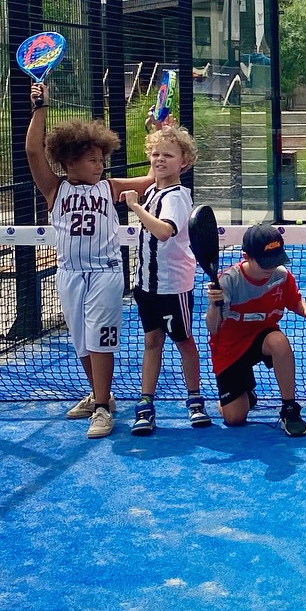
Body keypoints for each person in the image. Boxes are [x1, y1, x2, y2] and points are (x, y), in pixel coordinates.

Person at [25, 82, 153, 439]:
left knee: (99, 340)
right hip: (68, 273)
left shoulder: (109, 187)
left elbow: (154, 177)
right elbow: (34, 152)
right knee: (82, 342)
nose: (99, 165)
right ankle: (103, 396)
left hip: (105, 273)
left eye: (102, 159)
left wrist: (159, 134)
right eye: (92, 159)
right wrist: (40, 108)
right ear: (69, 161)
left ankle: (100, 408)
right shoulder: (55, 189)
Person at [205, 222, 306, 434]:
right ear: (246, 256)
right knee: (234, 418)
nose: (271, 268)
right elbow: (213, 328)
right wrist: (214, 305)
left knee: (279, 341)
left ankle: (289, 408)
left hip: (262, 339)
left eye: (275, 261)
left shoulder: (281, 275)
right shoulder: (228, 281)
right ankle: (246, 395)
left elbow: (294, 301)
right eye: (265, 263)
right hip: (230, 348)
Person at [122, 122, 207, 434]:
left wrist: (134, 206)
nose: (159, 160)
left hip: (173, 286)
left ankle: (195, 401)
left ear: (184, 162)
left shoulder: (176, 197)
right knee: (152, 341)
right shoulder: (154, 191)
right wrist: (158, 129)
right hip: (146, 285)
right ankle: (146, 406)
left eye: (168, 155)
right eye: (155, 154)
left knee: (184, 341)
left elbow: (163, 231)